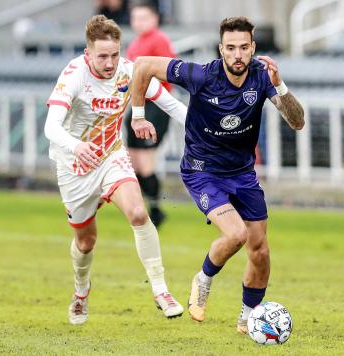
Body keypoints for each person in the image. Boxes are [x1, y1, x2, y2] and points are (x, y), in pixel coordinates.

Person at [129, 17, 305, 333]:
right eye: (231, 48)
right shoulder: (201, 75)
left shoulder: (263, 78)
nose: (238, 54)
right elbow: (142, 66)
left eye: (244, 47)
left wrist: (280, 84)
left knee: (260, 250)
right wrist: (138, 116)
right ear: (221, 49)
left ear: (253, 48)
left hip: (242, 173)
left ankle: (248, 319)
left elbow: (298, 121)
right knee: (236, 234)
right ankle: (204, 278)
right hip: (202, 171)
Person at [43, 15, 187, 325]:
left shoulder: (128, 71)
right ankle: (81, 292)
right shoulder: (74, 75)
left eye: (114, 54)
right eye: (102, 56)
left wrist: (202, 128)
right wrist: (76, 146)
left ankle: (162, 291)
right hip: (75, 165)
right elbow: (50, 127)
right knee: (86, 242)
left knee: (138, 213)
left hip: (111, 156)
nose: (110, 63)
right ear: (88, 54)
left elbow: (169, 103)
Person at [123, 1, 176, 228]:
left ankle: (155, 209)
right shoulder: (134, 44)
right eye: (136, 18)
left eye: (144, 17)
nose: (139, 23)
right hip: (138, 105)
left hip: (154, 106)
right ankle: (146, 207)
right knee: (133, 162)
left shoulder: (159, 40)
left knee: (145, 162)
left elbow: (170, 73)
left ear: (155, 19)